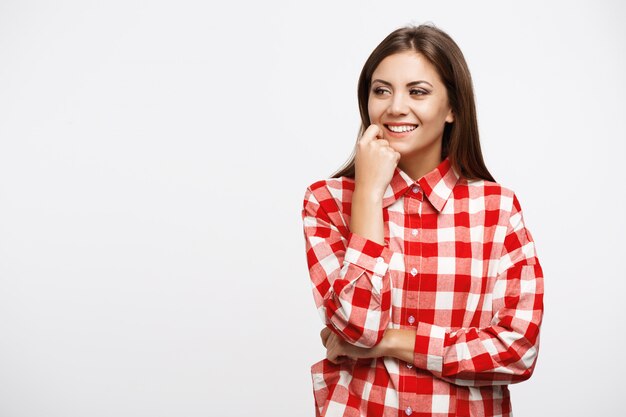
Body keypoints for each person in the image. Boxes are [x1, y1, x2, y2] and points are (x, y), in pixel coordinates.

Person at [301, 23, 544, 417]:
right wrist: (367, 193)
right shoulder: (328, 201)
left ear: (452, 108)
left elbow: (518, 351)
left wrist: (393, 341)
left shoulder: (497, 209)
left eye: (418, 91)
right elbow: (357, 326)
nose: (395, 107)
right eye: (381, 90)